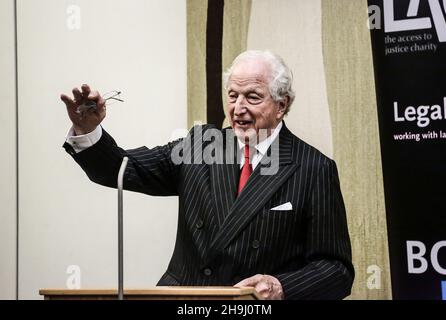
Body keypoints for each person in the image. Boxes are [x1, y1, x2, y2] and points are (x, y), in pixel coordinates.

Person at [60, 50, 354, 300]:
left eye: (252, 97)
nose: (238, 109)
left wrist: (280, 286)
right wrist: (88, 130)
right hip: (187, 300)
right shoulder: (200, 146)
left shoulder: (314, 168)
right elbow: (122, 169)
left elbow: (336, 270)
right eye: (233, 95)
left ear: (282, 105)